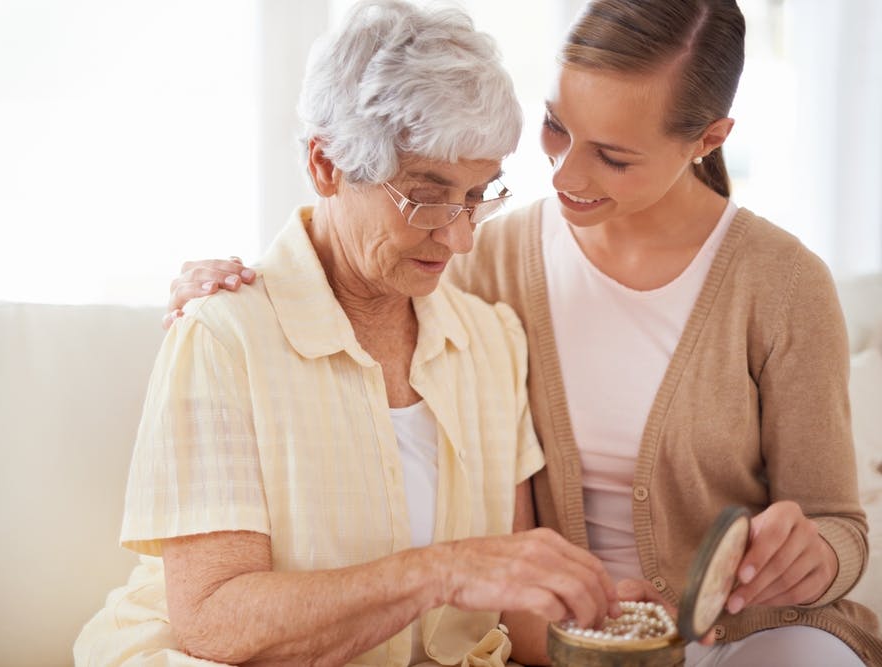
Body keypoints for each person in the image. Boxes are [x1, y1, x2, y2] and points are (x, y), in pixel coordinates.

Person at [165, 0, 882, 665]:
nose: (565, 172)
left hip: (751, 633)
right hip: (581, 635)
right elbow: (360, 234)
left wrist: (813, 553)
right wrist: (232, 283)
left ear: (709, 139)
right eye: (556, 125)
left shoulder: (783, 283)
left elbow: (839, 525)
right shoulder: (487, 259)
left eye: (614, 154)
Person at [75, 2, 624, 666]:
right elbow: (213, 620)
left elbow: (509, 604)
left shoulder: (488, 341)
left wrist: (618, 628)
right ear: (326, 164)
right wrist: (440, 571)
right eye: (428, 196)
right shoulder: (224, 338)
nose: (459, 236)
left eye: (479, 194)